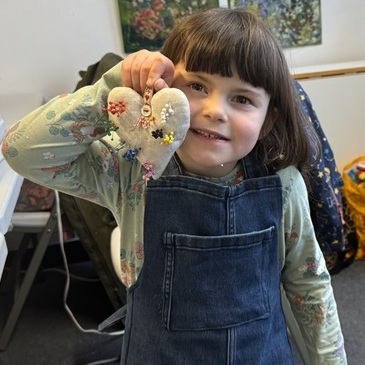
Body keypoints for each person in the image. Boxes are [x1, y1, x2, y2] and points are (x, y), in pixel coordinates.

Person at [2, 7, 346, 365]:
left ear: (268, 118)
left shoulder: (283, 185)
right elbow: (21, 151)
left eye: (242, 99)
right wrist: (113, 89)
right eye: (197, 86)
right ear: (162, 90)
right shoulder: (131, 171)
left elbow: (310, 288)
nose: (215, 110)